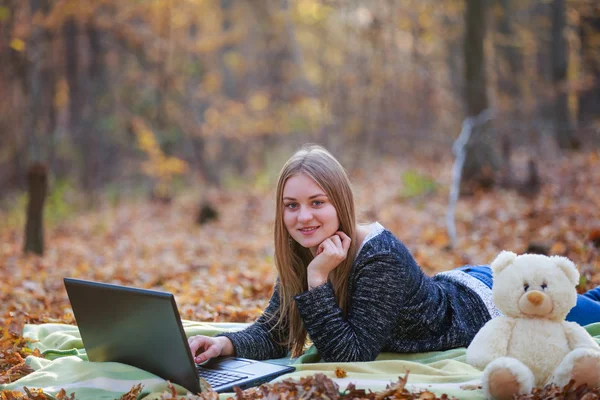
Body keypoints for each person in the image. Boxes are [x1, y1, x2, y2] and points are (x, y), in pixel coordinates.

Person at [188, 144, 600, 364]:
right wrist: (224, 344)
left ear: (341, 204)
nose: (303, 216)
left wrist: (318, 283)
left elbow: (352, 354)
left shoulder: (377, 256)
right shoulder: (306, 251)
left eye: (317, 202)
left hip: (490, 303)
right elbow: (276, 331)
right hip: (457, 284)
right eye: (291, 205)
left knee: (591, 311)